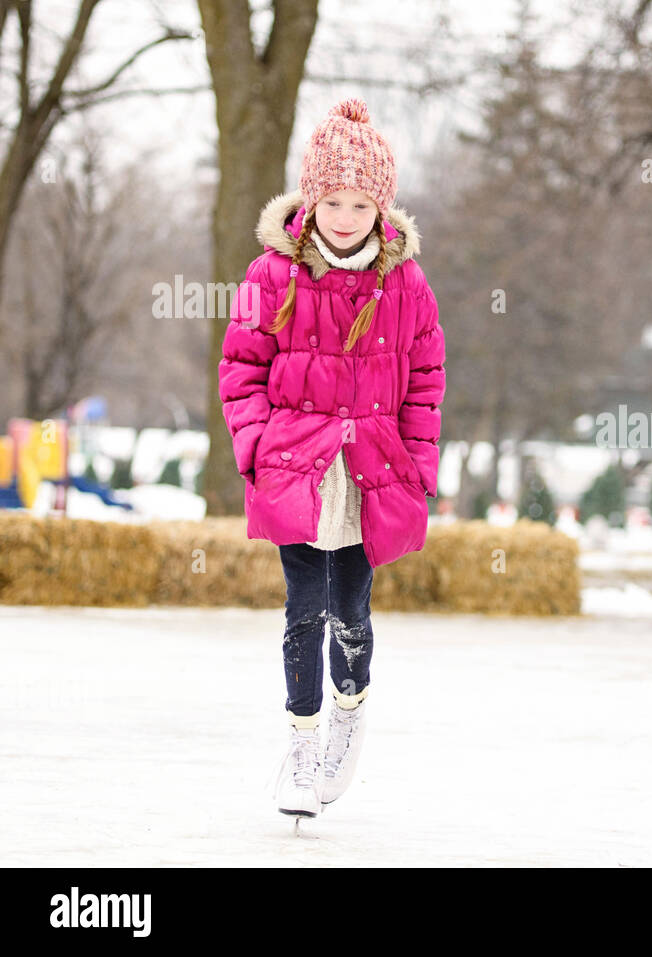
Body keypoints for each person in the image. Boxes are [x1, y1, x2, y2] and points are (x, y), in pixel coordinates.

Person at [217, 97, 446, 818]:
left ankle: (350, 709)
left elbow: (426, 383)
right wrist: (257, 447)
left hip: (369, 473)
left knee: (350, 608)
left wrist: (418, 466)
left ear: (381, 208)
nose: (344, 217)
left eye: (359, 202)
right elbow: (240, 369)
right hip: (296, 468)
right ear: (309, 200)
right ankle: (302, 740)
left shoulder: (406, 287)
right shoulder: (270, 275)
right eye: (332, 200)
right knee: (303, 608)